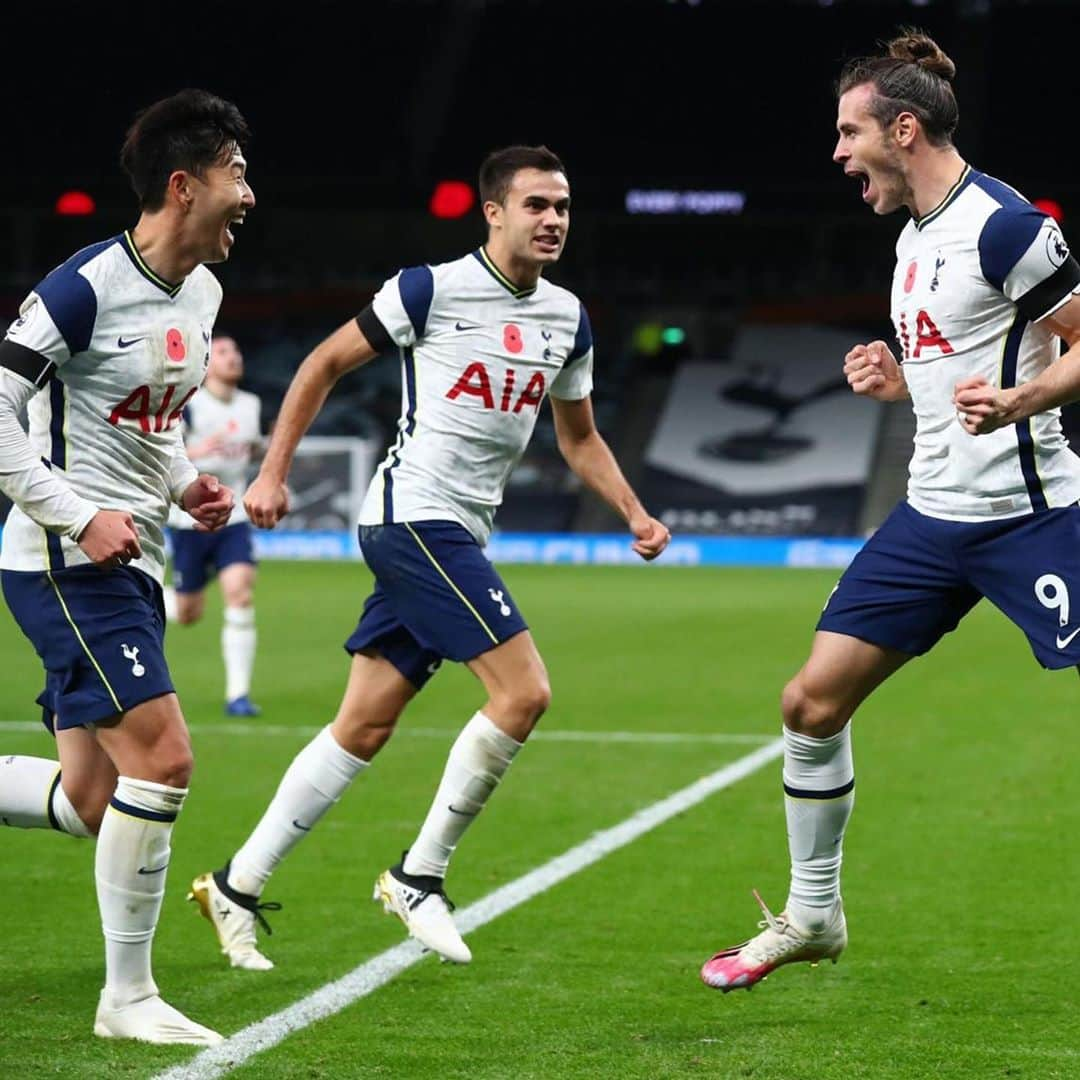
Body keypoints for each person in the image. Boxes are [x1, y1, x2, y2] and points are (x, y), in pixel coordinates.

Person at [188, 144, 671, 971]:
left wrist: (632, 509)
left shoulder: (568, 317)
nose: (553, 220)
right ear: (494, 212)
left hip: (457, 532)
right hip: (413, 518)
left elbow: (578, 434)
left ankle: (234, 885)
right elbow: (321, 364)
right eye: (536, 205)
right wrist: (270, 473)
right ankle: (419, 876)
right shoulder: (431, 288)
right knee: (524, 692)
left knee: (364, 725)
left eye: (562, 207)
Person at [700, 30, 1080, 992]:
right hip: (929, 521)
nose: (837, 153)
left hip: (1035, 514)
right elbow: (960, 368)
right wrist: (897, 377)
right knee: (809, 704)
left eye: (848, 131)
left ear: (902, 129)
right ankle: (814, 916)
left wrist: (1025, 402)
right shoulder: (914, 239)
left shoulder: (1006, 226)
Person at [0, 88, 255, 1042]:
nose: (249, 195)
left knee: (92, 797)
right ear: (183, 187)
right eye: (235, 174)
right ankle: (129, 999)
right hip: (64, 562)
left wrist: (185, 482)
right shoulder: (79, 289)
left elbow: (146, 417)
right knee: (167, 758)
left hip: (135, 558)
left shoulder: (204, 291)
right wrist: (74, 516)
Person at [165, 332, 263, 716]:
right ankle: (158, 598)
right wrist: (197, 452)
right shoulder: (188, 407)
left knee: (240, 592)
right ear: (206, 365)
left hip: (233, 517)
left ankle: (238, 695)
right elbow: (163, 454)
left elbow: (253, 448)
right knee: (190, 613)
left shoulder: (251, 405)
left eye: (236, 349)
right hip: (190, 522)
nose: (233, 356)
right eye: (223, 351)